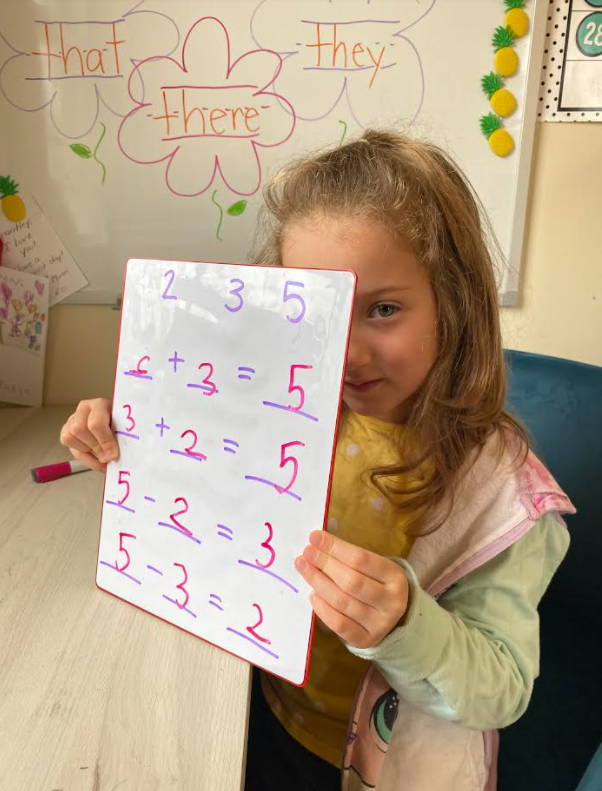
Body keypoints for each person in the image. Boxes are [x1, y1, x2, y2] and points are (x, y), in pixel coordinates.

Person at [59, 129, 575, 791]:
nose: (348, 353)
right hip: (259, 705)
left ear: (455, 300)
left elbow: (499, 690)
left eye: (383, 309)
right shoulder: (283, 405)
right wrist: (131, 442)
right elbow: (213, 499)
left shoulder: (503, 493)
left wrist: (406, 622)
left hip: (385, 764)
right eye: (319, 310)